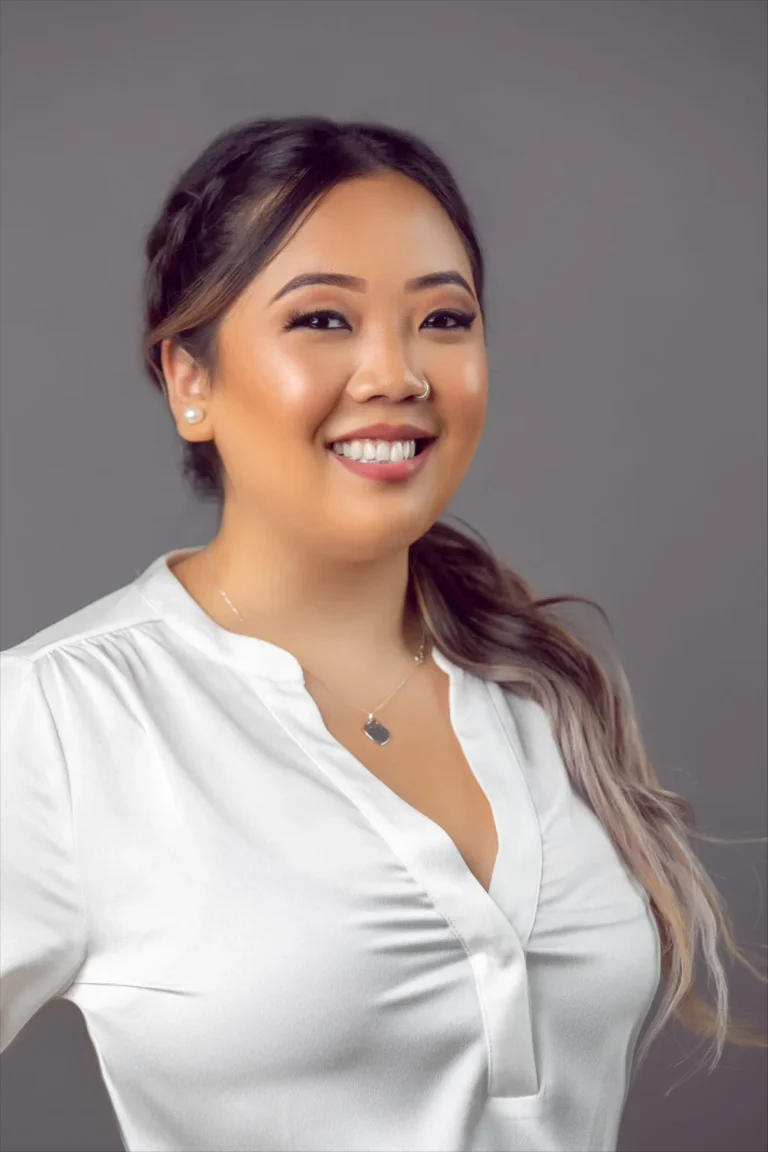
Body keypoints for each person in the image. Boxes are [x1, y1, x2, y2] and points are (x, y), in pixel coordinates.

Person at [1, 116, 764, 1152]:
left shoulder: (541, 683)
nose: (397, 373)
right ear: (191, 381)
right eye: (322, 319)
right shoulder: (58, 719)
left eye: (443, 319)